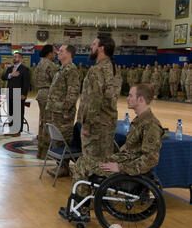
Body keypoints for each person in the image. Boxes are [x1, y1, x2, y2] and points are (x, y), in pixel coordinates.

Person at [60, 84, 165, 218]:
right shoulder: (141, 120)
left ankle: (81, 209)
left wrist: (120, 167)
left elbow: (151, 159)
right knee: (84, 161)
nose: (127, 98)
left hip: (128, 170)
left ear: (141, 100)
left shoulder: (151, 125)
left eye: (131, 95)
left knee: (83, 165)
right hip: (122, 161)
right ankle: (83, 204)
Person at [76, 35, 122, 167]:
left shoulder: (96, 70)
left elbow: (94, 100)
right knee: (105, 160)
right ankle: (102, 186)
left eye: (94, 44)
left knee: (90, 162)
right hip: (108, 122)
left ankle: (89, 187)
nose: (91, 47)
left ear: (101, 48)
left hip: (95, 125)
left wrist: (86, 124)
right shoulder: (114, 68)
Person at [43, 45, 81, 177]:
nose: (58, 53)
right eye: (58, 51)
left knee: (63, 138)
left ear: (69, 54)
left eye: (61, 51)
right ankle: (60, 166)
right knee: (56, 140)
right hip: (55, 110)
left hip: (63, 113)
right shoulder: (61, 69)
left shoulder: (71, 70)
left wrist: (66, 110)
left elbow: (73, 91)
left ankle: (64, 167)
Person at [34, 45, 58, 159]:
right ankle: (45, 152)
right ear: (49, 53)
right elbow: (56, 81)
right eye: (54, 52)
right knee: (48, 123)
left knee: (42, 122)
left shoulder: (39, 64)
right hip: (48, 94)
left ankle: (40, 150)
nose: (55, 54)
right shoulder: (50, 64)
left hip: (40, 93)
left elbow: (34, 79)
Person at [1, 52, 30, 137]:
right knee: (10, 112)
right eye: (13, 57)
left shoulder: (24, 69)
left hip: (19, 93)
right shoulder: (10, 69)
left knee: (18, 113)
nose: (14, 58)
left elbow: (26, 83)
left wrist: (24, 94)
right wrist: (11, 75)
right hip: (10, 93)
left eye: (16, 57)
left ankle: (17, 131)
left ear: (21, 59)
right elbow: (3, 77)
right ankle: (11, 130)